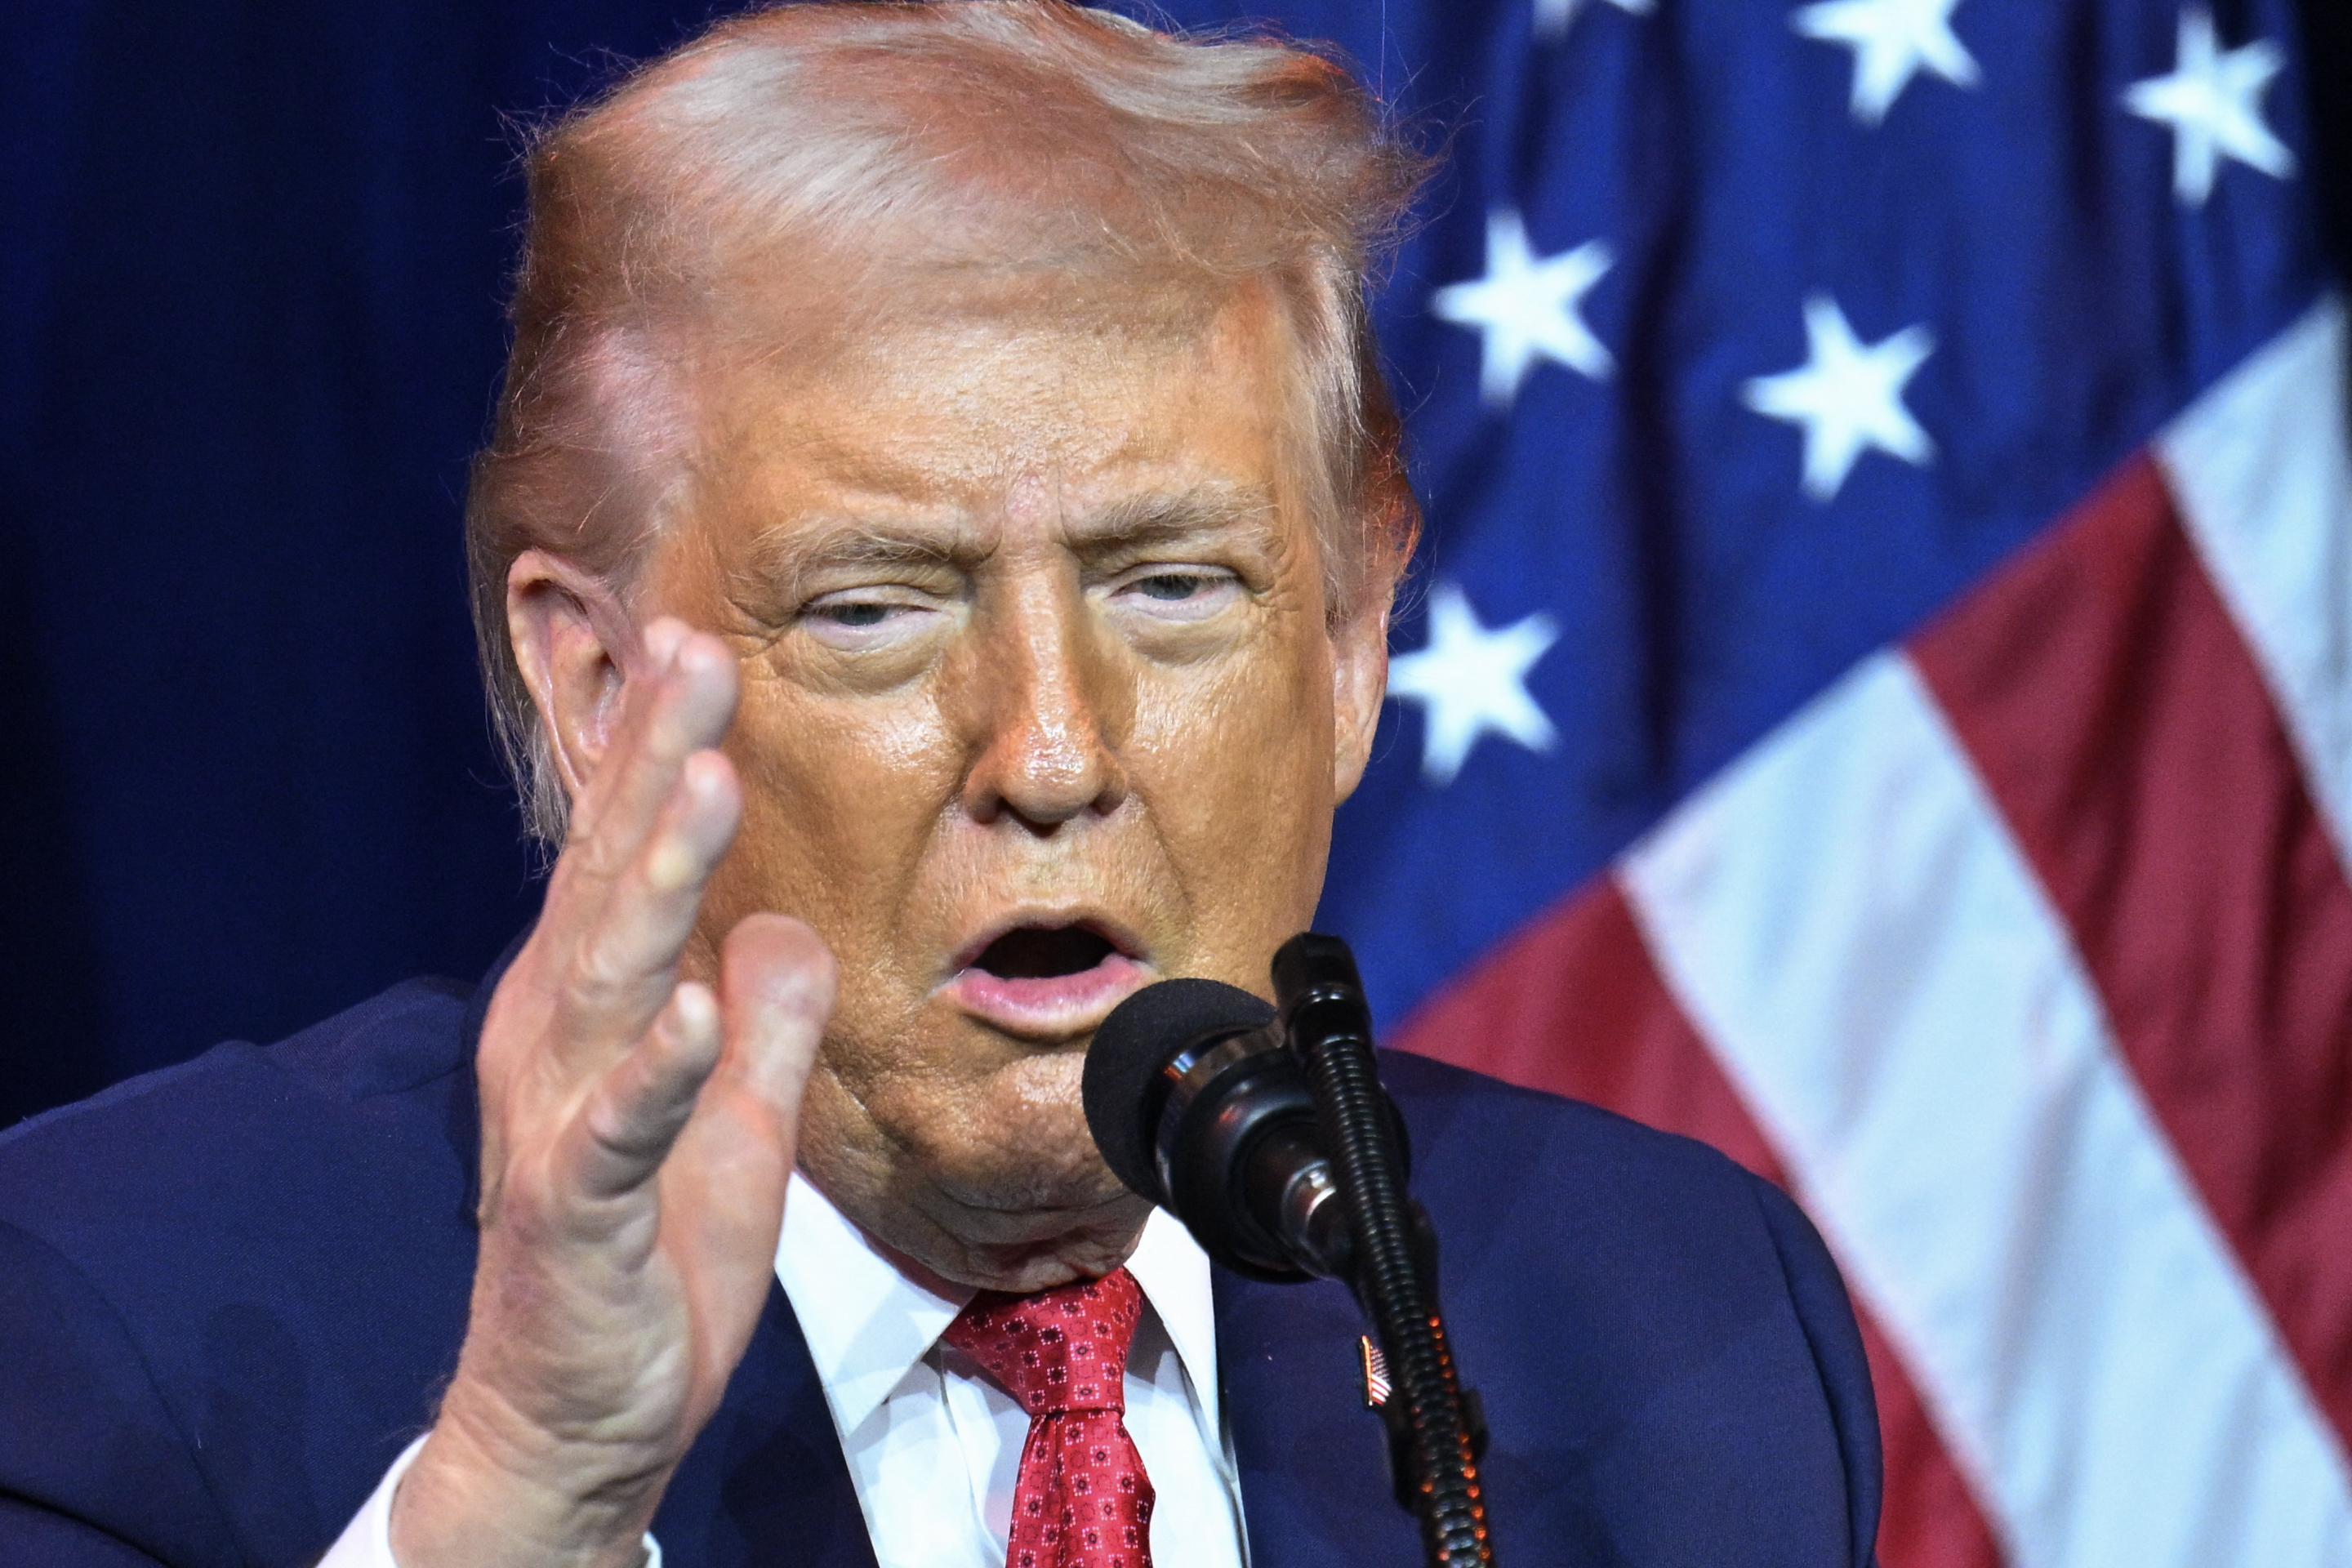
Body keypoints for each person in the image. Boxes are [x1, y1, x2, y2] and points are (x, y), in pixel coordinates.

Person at [0, 6, 1882, 1566]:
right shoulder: (118, 1326)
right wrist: (523, 1506)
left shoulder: (1677, 1335)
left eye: (1171, 586)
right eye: (879, 609)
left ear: (1347, 643)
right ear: (591, 684)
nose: (1052, 753)